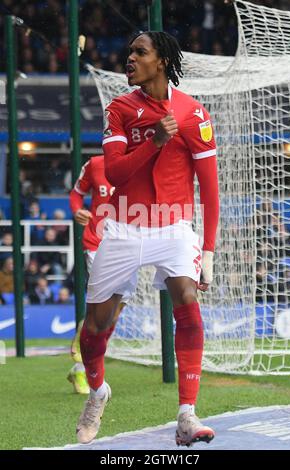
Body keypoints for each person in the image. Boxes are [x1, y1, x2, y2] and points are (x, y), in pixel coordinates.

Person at [76, 31, 219, 447]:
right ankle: (98, 391)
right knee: (96, 327)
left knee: (187, 300)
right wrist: (156, 140)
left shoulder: (193, 113)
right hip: (121, 226)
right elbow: (116, 173)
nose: (130, 59)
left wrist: (207, 249)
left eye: (140, 52)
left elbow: (209, 187)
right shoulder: (119, 108)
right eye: (130, 52)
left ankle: (187, 415)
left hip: (174, 225)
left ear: (162, 61)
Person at [67, 155, 124, 395]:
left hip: (128, 243)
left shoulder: (142, 160)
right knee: (104, 305)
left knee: (114, 311)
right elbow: (76, 193)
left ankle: (83, 349)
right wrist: (77, 210)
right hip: (96, 242)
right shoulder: (95, 164)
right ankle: (81, 366)